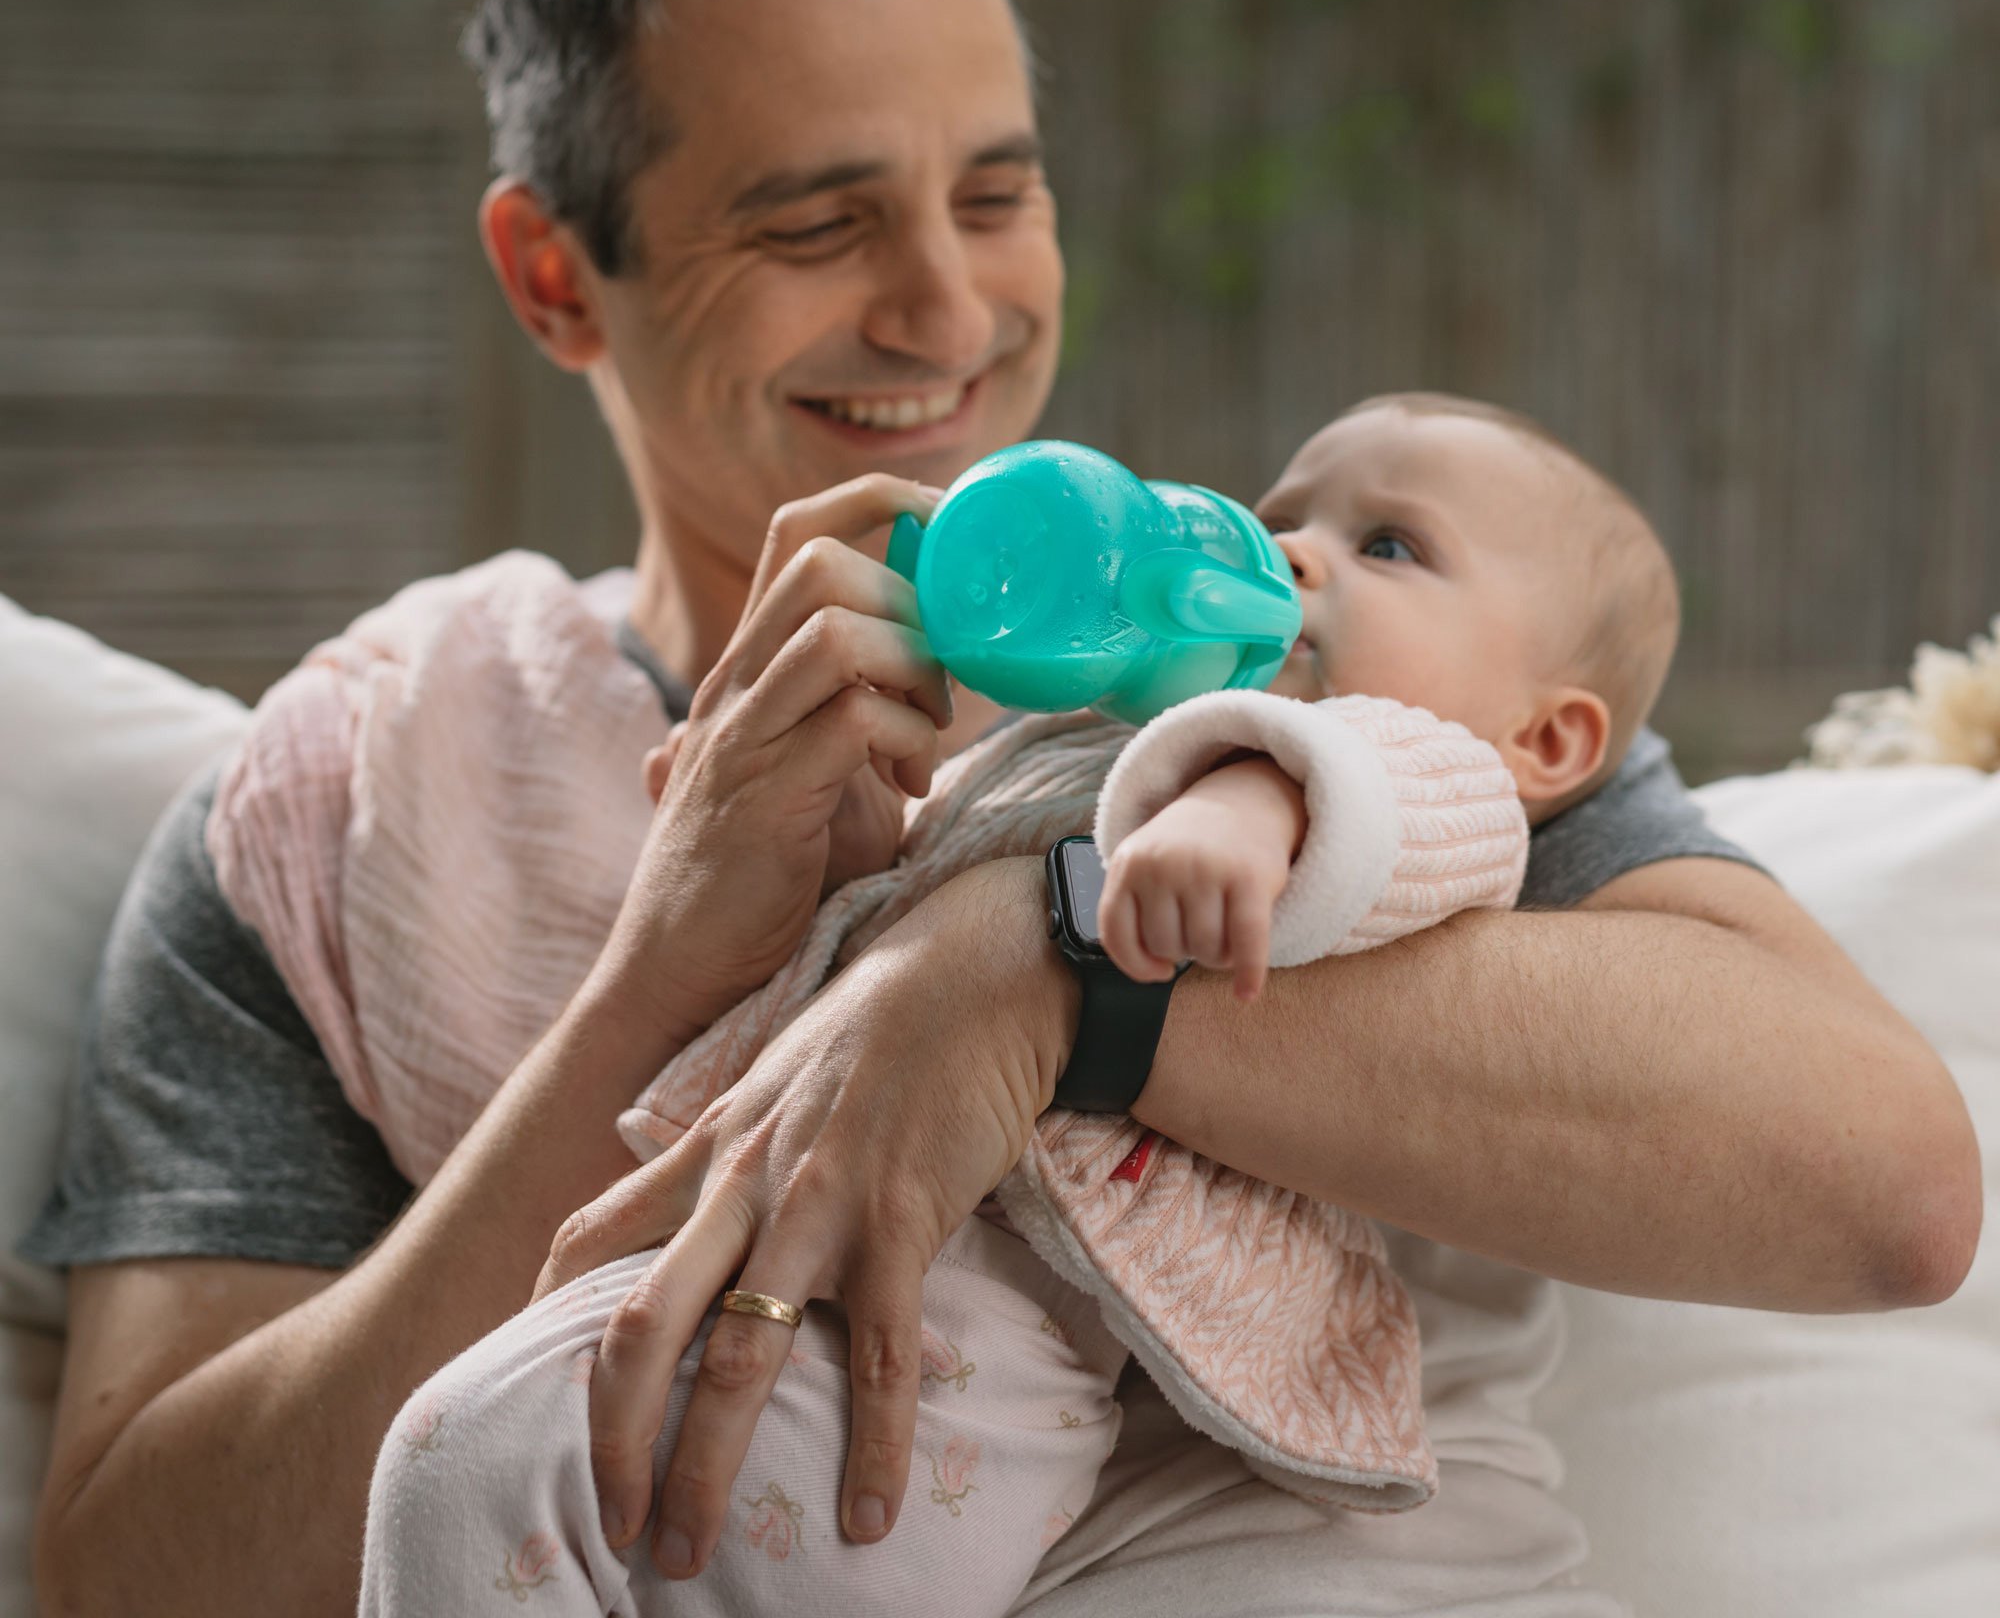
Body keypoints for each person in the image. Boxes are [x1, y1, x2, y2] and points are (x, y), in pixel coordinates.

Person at [24, 0, 1979, 1618]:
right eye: (814, 223)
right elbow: (134, 1570)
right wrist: (656, 981)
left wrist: (1033, 975)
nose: (949, 312)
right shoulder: (354, 804)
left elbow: (1879, 1190)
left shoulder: (1305, 656)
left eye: (996, 193)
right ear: (553, 275)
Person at [348, 391, 1678, 1618]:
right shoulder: (1072, 747)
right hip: (836, 1286)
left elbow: (1356, 800)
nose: (1300, 555)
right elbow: (880, 959)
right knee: (459, 1461)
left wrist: (1228, 816)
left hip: (977, 1377)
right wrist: (867, 852)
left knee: (476, 1464)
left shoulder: (1418, 772)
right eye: (1282, 520)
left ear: (1546, 739)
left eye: (1388, 546)